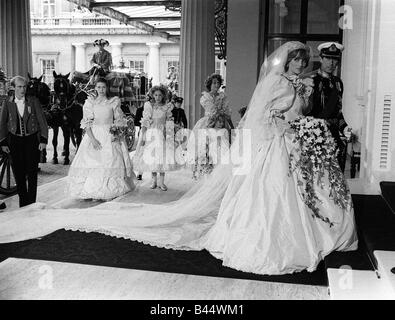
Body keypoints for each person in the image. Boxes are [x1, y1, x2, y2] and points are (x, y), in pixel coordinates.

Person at [0, 42, 357, 277]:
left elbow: (294, 112)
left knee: (294, 192)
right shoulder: (277, 82)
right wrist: (284, 124)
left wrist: (303, 124)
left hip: (290, 143)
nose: (300, 64)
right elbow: (262, 116)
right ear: (289, 61)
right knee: (270, 193)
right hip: (274, 143)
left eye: (303, 61)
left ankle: (309, 231)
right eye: (298, 60)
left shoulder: (305, 84)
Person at [67, 78, 135, 200]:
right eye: (98, 87)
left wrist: (117, 133)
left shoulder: (113, 102)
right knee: (93, 161)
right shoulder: (90, 103)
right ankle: (92, 190)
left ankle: (107, 189)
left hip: (110, 134)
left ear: (107, 88)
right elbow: (87, 123)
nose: (101, 90)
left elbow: (119, 120)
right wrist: (92, 139)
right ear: (95, 88)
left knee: (110, 160)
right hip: (95, 134)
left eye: (103, 87)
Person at [0, 76, 48, 207]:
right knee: (19, 173)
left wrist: (43, 139)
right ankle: (23, 203)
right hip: (14, 141)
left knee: (32, 172)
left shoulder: (33, 101)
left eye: (24, 87)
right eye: (19, 87)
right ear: (13, 88)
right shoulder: (8, 102)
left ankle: (32, 203)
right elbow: (2, 123)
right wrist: (3, 142)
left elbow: (42, 121)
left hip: (32, 140)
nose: (22, 89)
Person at [305, 42, 352, 171]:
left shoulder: (338, 83)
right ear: (321, 58)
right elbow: (303, 111)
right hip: (314, 135)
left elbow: (338, 112)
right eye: (328, 58)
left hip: (333, 136)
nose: (331, 63)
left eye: (335, 59)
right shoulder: (310, 80)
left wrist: (345, 127)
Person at [132, 85, 178, 191]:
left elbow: (169, 122)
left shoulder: (167, 107)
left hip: (162, 134)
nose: (157, 97)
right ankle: (153, 181)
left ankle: (161, 182)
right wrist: (143, 135)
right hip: (151, 134)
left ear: (163, 96)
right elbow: (145, 121)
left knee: (161, 158)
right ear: (152, 95)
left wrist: (170, 136)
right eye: (156, 95)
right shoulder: (149, 106)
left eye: (160, 95)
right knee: (152, 157)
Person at [187, 74, 233, 179]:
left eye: (218, 83)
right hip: (208, 123)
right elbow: (212, 111)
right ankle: (204, 170)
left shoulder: (223, 97)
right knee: (204, 146)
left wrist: (231, 126)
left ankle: (220, 172)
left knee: (221, 147)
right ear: (210, 84)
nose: (216, 85)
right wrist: (218, 113)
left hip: (221, 123)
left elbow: (227, 112)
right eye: (214, 83)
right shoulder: (205, 97)